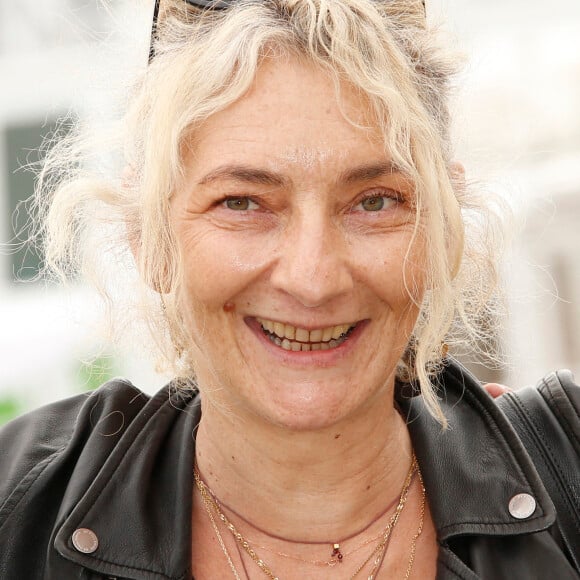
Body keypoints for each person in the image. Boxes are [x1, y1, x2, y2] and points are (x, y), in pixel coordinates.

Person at [0, 1, 578, 578]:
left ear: (443, 228)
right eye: (242, 202)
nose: (313, 278)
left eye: (374, 201)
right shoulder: (21, 504)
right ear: (146, 236)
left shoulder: (569, 468)